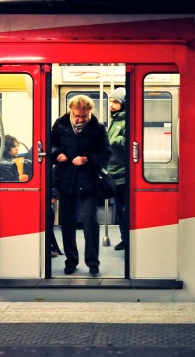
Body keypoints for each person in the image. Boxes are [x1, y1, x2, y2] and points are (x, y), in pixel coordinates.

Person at [51, 94, 110, 275]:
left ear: (90, 112)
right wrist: (56, 154)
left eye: (84, 116)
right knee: (67, 222)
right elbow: (50, 144)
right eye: (77, 115)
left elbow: (105, 154)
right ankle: (71, 260)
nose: (80, 119)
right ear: (71, 111)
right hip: (66, 179)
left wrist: (88, 159)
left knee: (89, 220)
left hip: (89, 180)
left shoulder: (98, 128)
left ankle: (93, 262)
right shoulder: (60, 124)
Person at [106, 87, 129, 251]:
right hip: (113, 172)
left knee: (125, 209)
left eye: (115, 102)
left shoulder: (127, 120)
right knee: (119, 211)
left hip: (123, 173)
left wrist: (117, 141)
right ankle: (124, 238)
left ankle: (129, 238)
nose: (111, 105)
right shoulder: (114, 120)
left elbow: (130, 144)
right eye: (110, 101)